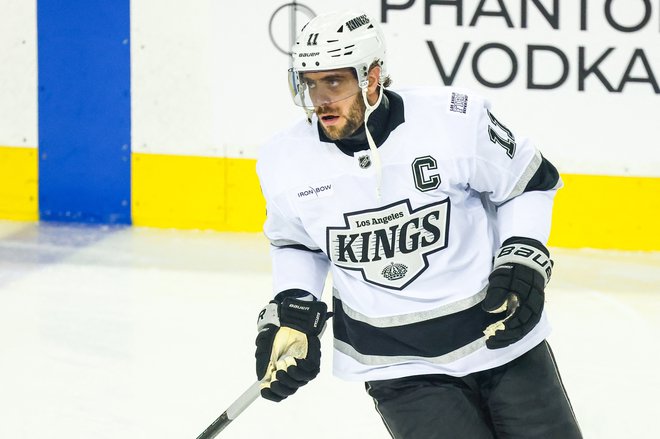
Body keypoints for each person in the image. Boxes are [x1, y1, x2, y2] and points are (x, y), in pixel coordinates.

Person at [254, 9, 582, 439]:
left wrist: (522, 257)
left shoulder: (452, 119)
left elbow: (527, 181)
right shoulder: (285, 160)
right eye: (310, 83)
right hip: (398, 365)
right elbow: (297, 243)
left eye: (335, 81)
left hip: (500, 334)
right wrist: (293, 307)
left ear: (372, 77)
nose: (321, 99)